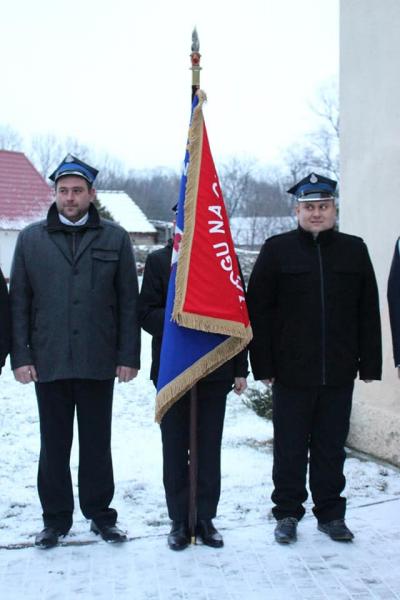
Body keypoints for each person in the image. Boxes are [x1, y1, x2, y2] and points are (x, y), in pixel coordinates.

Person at [10, 154, 140, 549]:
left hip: (98, 360)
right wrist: (22, 357)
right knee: (54, 445)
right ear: (55, 194)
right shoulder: (31, 238)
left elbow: (127, 302)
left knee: (97, 443)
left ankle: (101, 515)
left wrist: (128, 356)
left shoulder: (115, 238)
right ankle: (55, 519)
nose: (70, 197)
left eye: (77, 191)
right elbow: (20, 303)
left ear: (91, 194)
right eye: (63, 191)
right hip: (48, 362)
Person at [247, 172, 381, 544]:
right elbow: (258, 309)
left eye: (323, 206)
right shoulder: (277, 249)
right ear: (297, 210)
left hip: (338, 369)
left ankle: (331, 514)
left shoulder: (354, 249)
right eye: (309, 207)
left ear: (334, 208)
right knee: (289, 448)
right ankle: (287, 513)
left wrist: (369, 363)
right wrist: (265, 365)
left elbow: (368, 309)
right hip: (291, 372)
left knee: (330, 446)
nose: (317, 213)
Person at [138, 230, 248, 551]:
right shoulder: (160, 261)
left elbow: (240, 316)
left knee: (208, 448)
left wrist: (241, 368)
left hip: (215, 371)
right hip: (173, 371)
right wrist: (180, 318)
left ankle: (205, 518)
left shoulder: (223, 261)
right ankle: (178, 519)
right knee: (174, 447)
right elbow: (145, 313)